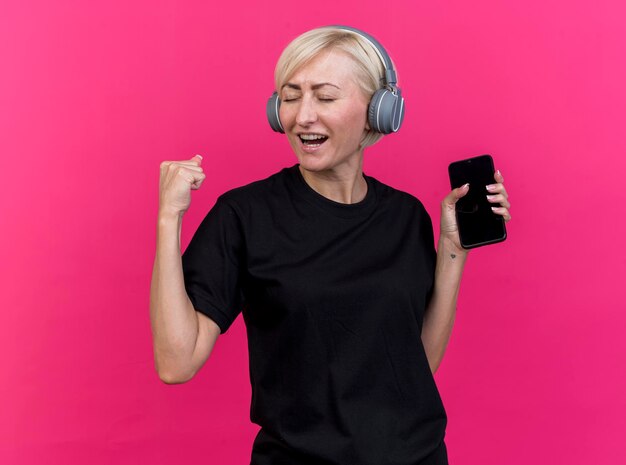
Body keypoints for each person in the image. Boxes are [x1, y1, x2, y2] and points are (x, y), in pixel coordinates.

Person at [150, 25, 511, 465]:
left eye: (324, 97)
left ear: (378, 111)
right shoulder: (245, 215)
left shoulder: (405, 216)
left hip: (418, 456)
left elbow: (417, 366)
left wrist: (453, 249)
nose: (303, 116)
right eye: (290, 96)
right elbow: (176, 362)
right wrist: (170, 219)